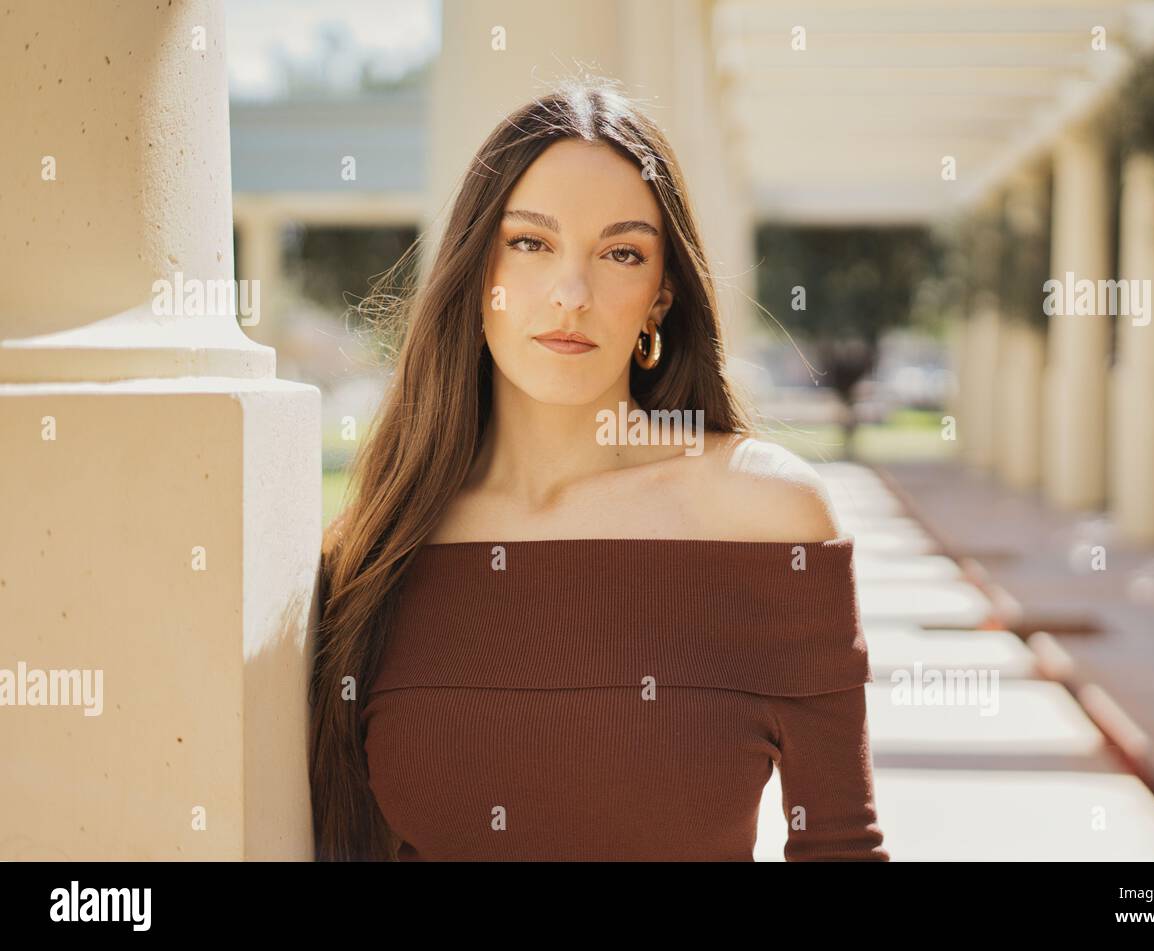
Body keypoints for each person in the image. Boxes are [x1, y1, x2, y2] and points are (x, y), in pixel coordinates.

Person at [309, 74, 888, 862]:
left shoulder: (764, 516)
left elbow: (841, 849)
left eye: (621, 253)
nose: (571, 293)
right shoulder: (377, 553)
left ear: (660, 295)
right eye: (530, 243)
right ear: (481, 274)